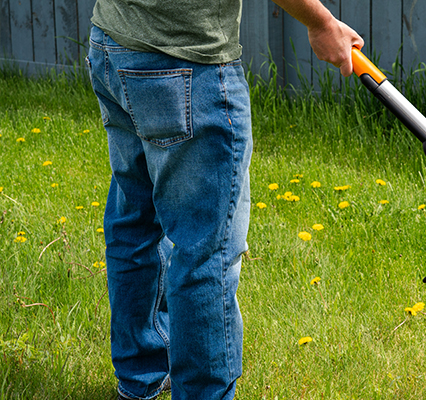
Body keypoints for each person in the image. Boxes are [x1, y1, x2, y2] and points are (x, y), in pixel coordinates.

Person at [85, 1, 363, 399]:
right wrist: (321, 23)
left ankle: (140, 377)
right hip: (183, 60)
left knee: (135, 222)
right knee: (205, 250)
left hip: (113, 44)